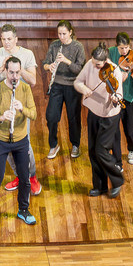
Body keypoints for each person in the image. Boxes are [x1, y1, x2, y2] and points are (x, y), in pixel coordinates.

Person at [0, 55, 37, 226]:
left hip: (20, 140)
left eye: (17, 73)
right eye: (11, 73)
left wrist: (22, 109)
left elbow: (34, 114)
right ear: (6, 72)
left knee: (24, 178)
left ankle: (23, 209)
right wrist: (2, 117)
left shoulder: (26, 89)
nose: (15, 76)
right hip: (0, 140)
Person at [76, 43, 125, 198]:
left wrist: (115, 98)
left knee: (101, 151)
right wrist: (84, 89)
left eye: (98, 65)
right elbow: (77, 82)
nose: (95, 67)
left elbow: (119, 94)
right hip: (93, 112)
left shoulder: (115, 71)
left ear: (105, 61)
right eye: (94, 63)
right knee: (92, 151)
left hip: (109, 116)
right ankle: (99, 186)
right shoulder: (90, 65)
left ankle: (117, 179)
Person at [43, 19, 86, 161]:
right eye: (59, 34)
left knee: (73, 117)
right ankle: (53, 145)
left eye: (64, 34)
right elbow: (45, 63)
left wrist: (66, 61)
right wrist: (49, 67)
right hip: (57, 84)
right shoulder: (55, 45)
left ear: (70, 32)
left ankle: (75, 144)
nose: (61, 37)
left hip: (72, 86)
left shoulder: (78, 47)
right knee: (51, 116)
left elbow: (80, 69)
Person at [109, 31, 133, 164]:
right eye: (121, 48)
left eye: (126, 48)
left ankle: (132, 150)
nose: (125, 51)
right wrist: (117, 75)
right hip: (116, 97)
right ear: (116, 47)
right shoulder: (111, 52)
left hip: (131, 98)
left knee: (130, 130)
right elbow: (106, 70)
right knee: (114, 129)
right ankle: (116, 156)